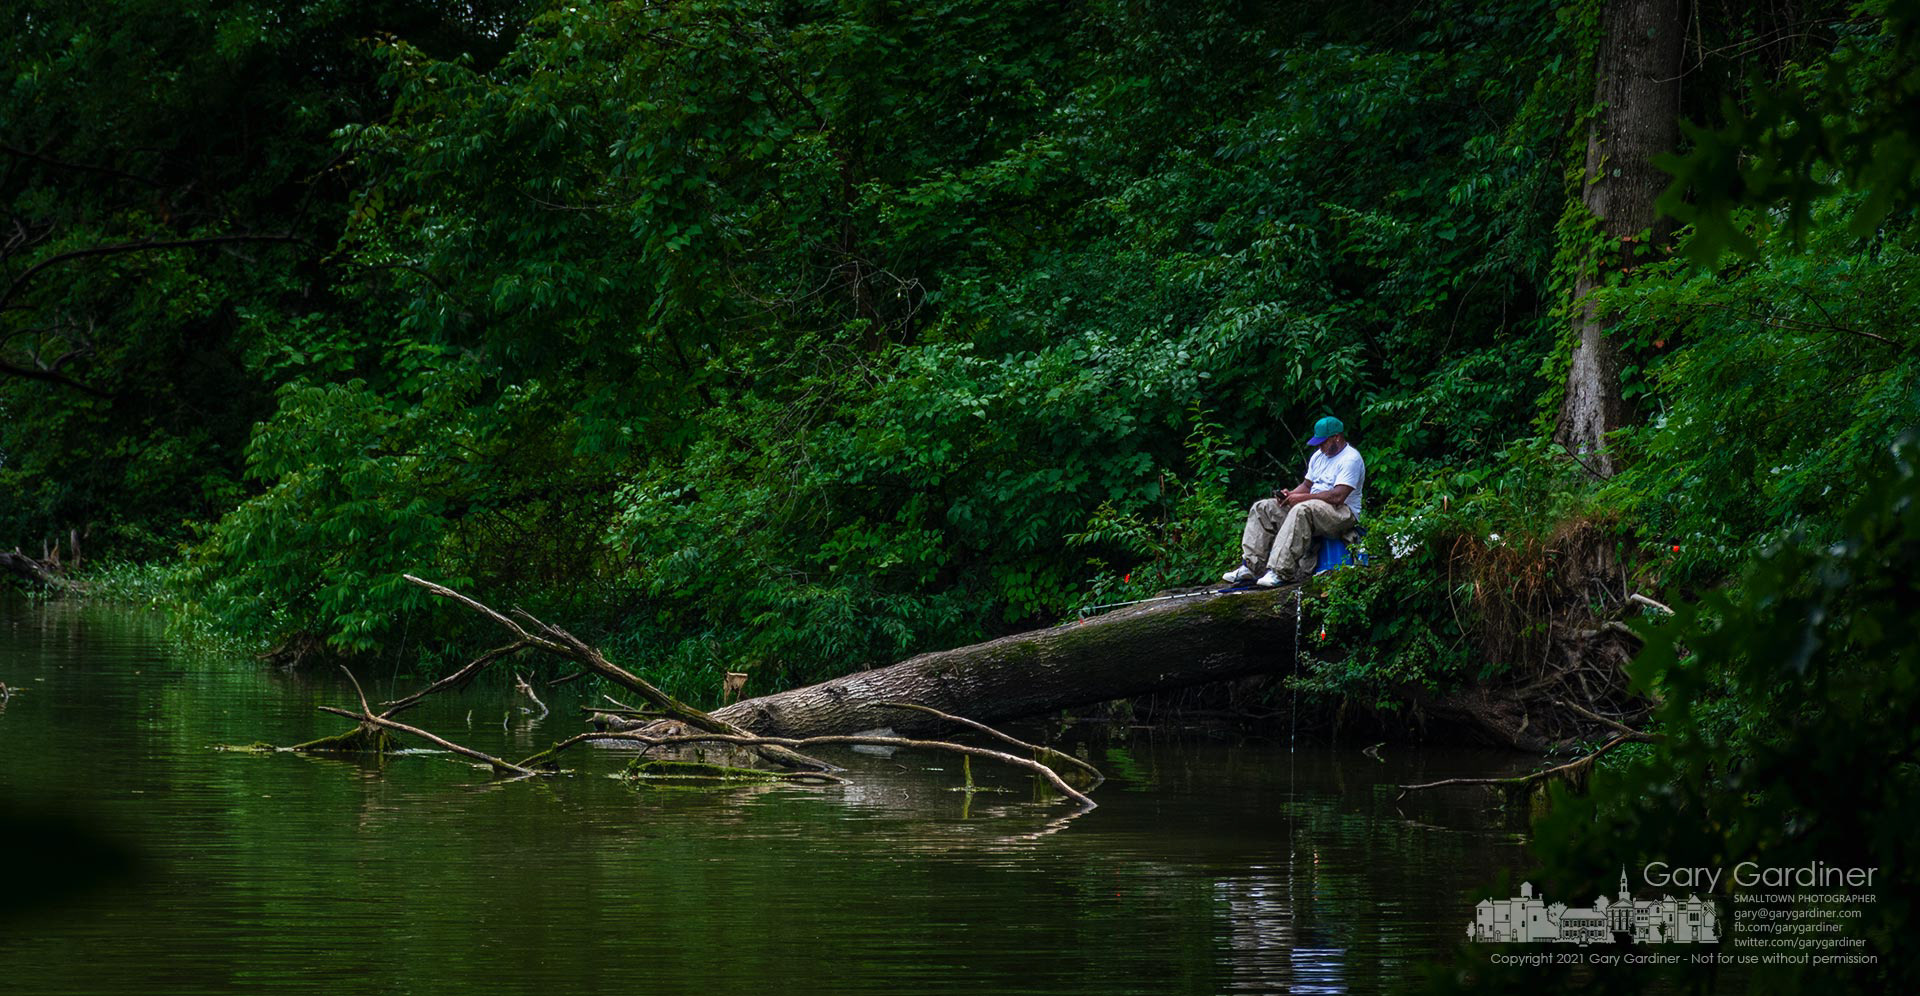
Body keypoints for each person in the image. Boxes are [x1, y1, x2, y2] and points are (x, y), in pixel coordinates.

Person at [1223, 415, 1365, 588]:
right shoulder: (1319, 456)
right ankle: (1250, 567)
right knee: (1263, 507)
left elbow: (1337, 496)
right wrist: (1289, 495)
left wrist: (1300, 499)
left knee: (1302, 509)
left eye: (1323, 442)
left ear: (1337, 437)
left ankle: (1280, 571)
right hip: (1314, 506)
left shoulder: (1351, 459)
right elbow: (1307, 485)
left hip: (1342, 512)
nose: (1320, 446)